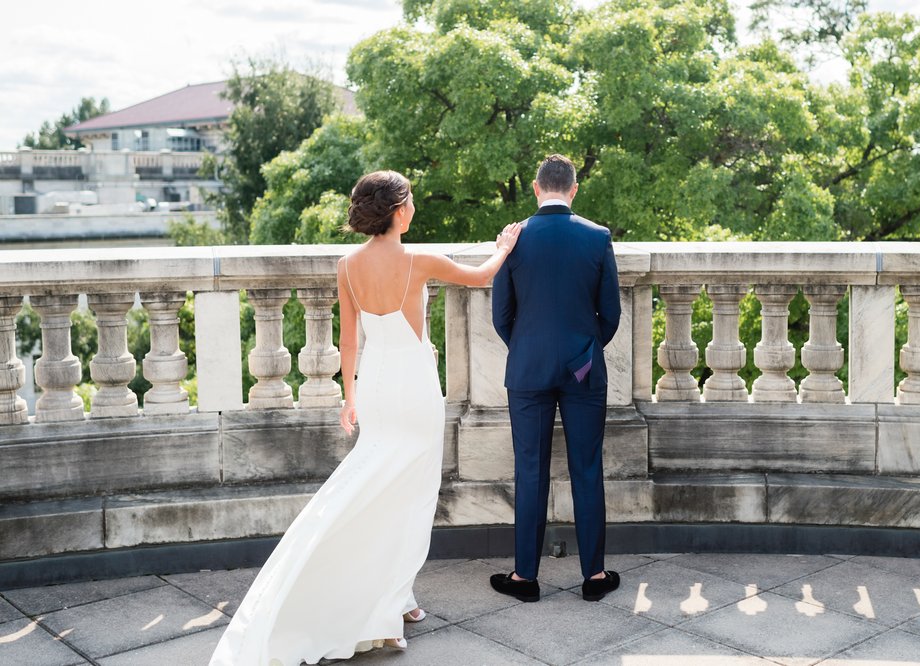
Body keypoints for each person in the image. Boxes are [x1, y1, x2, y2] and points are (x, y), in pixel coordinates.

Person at [209, 170, 521, 665]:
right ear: (398, 212)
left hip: (375, 383)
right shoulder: (418, 260)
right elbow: (482, 276)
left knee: (374, 485)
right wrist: (505, 245)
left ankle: (396, 599)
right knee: (414, 495)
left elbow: (349, 340)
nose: (414, 206)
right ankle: (392, 604)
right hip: (415, 387)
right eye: (411, 200)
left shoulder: (347, 265)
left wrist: (349, 396)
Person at [489, 154, 621, 603]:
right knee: (587, 469)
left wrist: (528, 349)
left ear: (534, 187)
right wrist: (582, 356)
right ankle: (595, 577)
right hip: (583, 370)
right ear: (574, 189)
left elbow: (501, 315)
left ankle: (525, 578)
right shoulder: (597, 237)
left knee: (530, 472)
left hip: (527, 370)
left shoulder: (514, 239)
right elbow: (611, 316)